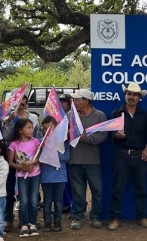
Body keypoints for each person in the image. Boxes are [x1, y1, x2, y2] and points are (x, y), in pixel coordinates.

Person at [108, 83, 147, 231]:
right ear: (125, 95)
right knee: (117, 188)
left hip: (139, 156)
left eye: (135, 95)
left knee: (141, 188)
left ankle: (141, 216)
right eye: (129, 94)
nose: (131, 97)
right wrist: (116, 135)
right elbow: (109, 135)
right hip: (121, 155)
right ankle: (115, 218)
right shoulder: (116, 113)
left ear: (139, 98)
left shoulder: (145, 115)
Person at [2, 93, 43, 231]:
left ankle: (30, 222)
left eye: (24, 102)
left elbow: (37, 140)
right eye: (19, 102)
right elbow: (4, 137)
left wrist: (32, 162)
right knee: (10, 191)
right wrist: (9, 121)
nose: (21, 105)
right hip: (13, 159)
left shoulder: (33, 118)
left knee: (31, 197)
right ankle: (9, 218)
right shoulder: (7, 117)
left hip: (32, 167)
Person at [68, 89, 107, 230]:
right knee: (77, 191)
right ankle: (77, 216)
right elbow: (63, 136)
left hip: (92, 161)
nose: (75, 102)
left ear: (86, 100)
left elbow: (103, 136)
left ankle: (95, 216)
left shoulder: (99, 116)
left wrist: (86, 138)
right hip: (75, 160)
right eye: (75, 100)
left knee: (97, 190)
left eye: (78, 100)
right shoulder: (70, 116)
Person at [7, 118, 41, 237]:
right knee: (24, 200)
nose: (31, 130)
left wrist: (32, 163)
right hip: (22, 176)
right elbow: (10, 162)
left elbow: (38, 158)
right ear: (20, 130)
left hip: (35, 175)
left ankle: (32, 223)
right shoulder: (14, 144)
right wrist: (21, 167)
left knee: (33, 201)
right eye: (28, 128)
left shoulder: (35, 141)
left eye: (32, 128)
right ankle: (24, 224)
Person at [39, 116, 70, 232]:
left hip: (60, 176)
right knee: (47, 200)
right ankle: (47, 221)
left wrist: (52, 154)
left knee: (58, 200)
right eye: (44, 129)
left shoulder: (63, 142)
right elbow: (39, 156)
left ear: (56, 127)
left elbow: (66, 156)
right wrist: (45, 150)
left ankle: (57, 221)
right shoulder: (41, 142)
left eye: (50, 128)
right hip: (46, 176)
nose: (47, 132)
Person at [58, 93, 73, 214]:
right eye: (60, 102)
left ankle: (70, 203)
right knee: (61, 179)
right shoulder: (56, 116)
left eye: (64, 102)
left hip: (70, 152)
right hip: (59, 152)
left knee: (69, 180)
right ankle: (64, 203)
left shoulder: (73, 116)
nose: (62, 104)